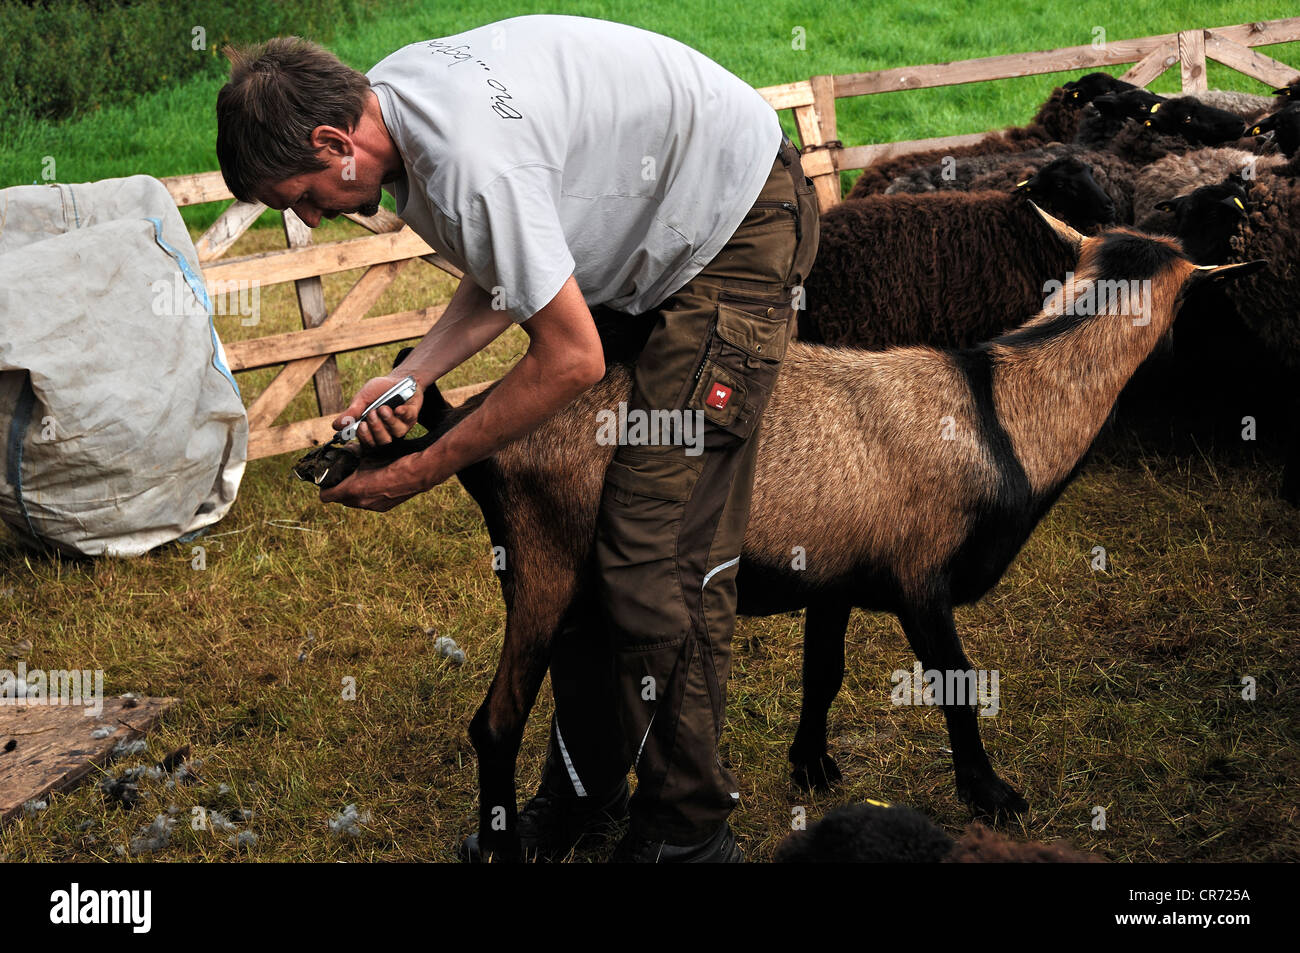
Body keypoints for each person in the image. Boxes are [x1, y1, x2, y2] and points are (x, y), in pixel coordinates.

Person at [215, 14, 818, 863]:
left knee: (654, 548)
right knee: (573, 526)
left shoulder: (460, 155)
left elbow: (571, 357)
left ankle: (690, 836)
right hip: (651, 231)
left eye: (303, 197)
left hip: (734, 228)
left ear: (332, 138)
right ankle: (588, 788)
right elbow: (511, 259)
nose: (309, 221)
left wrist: (418, 469)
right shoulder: (401, 106)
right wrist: (415, 375)